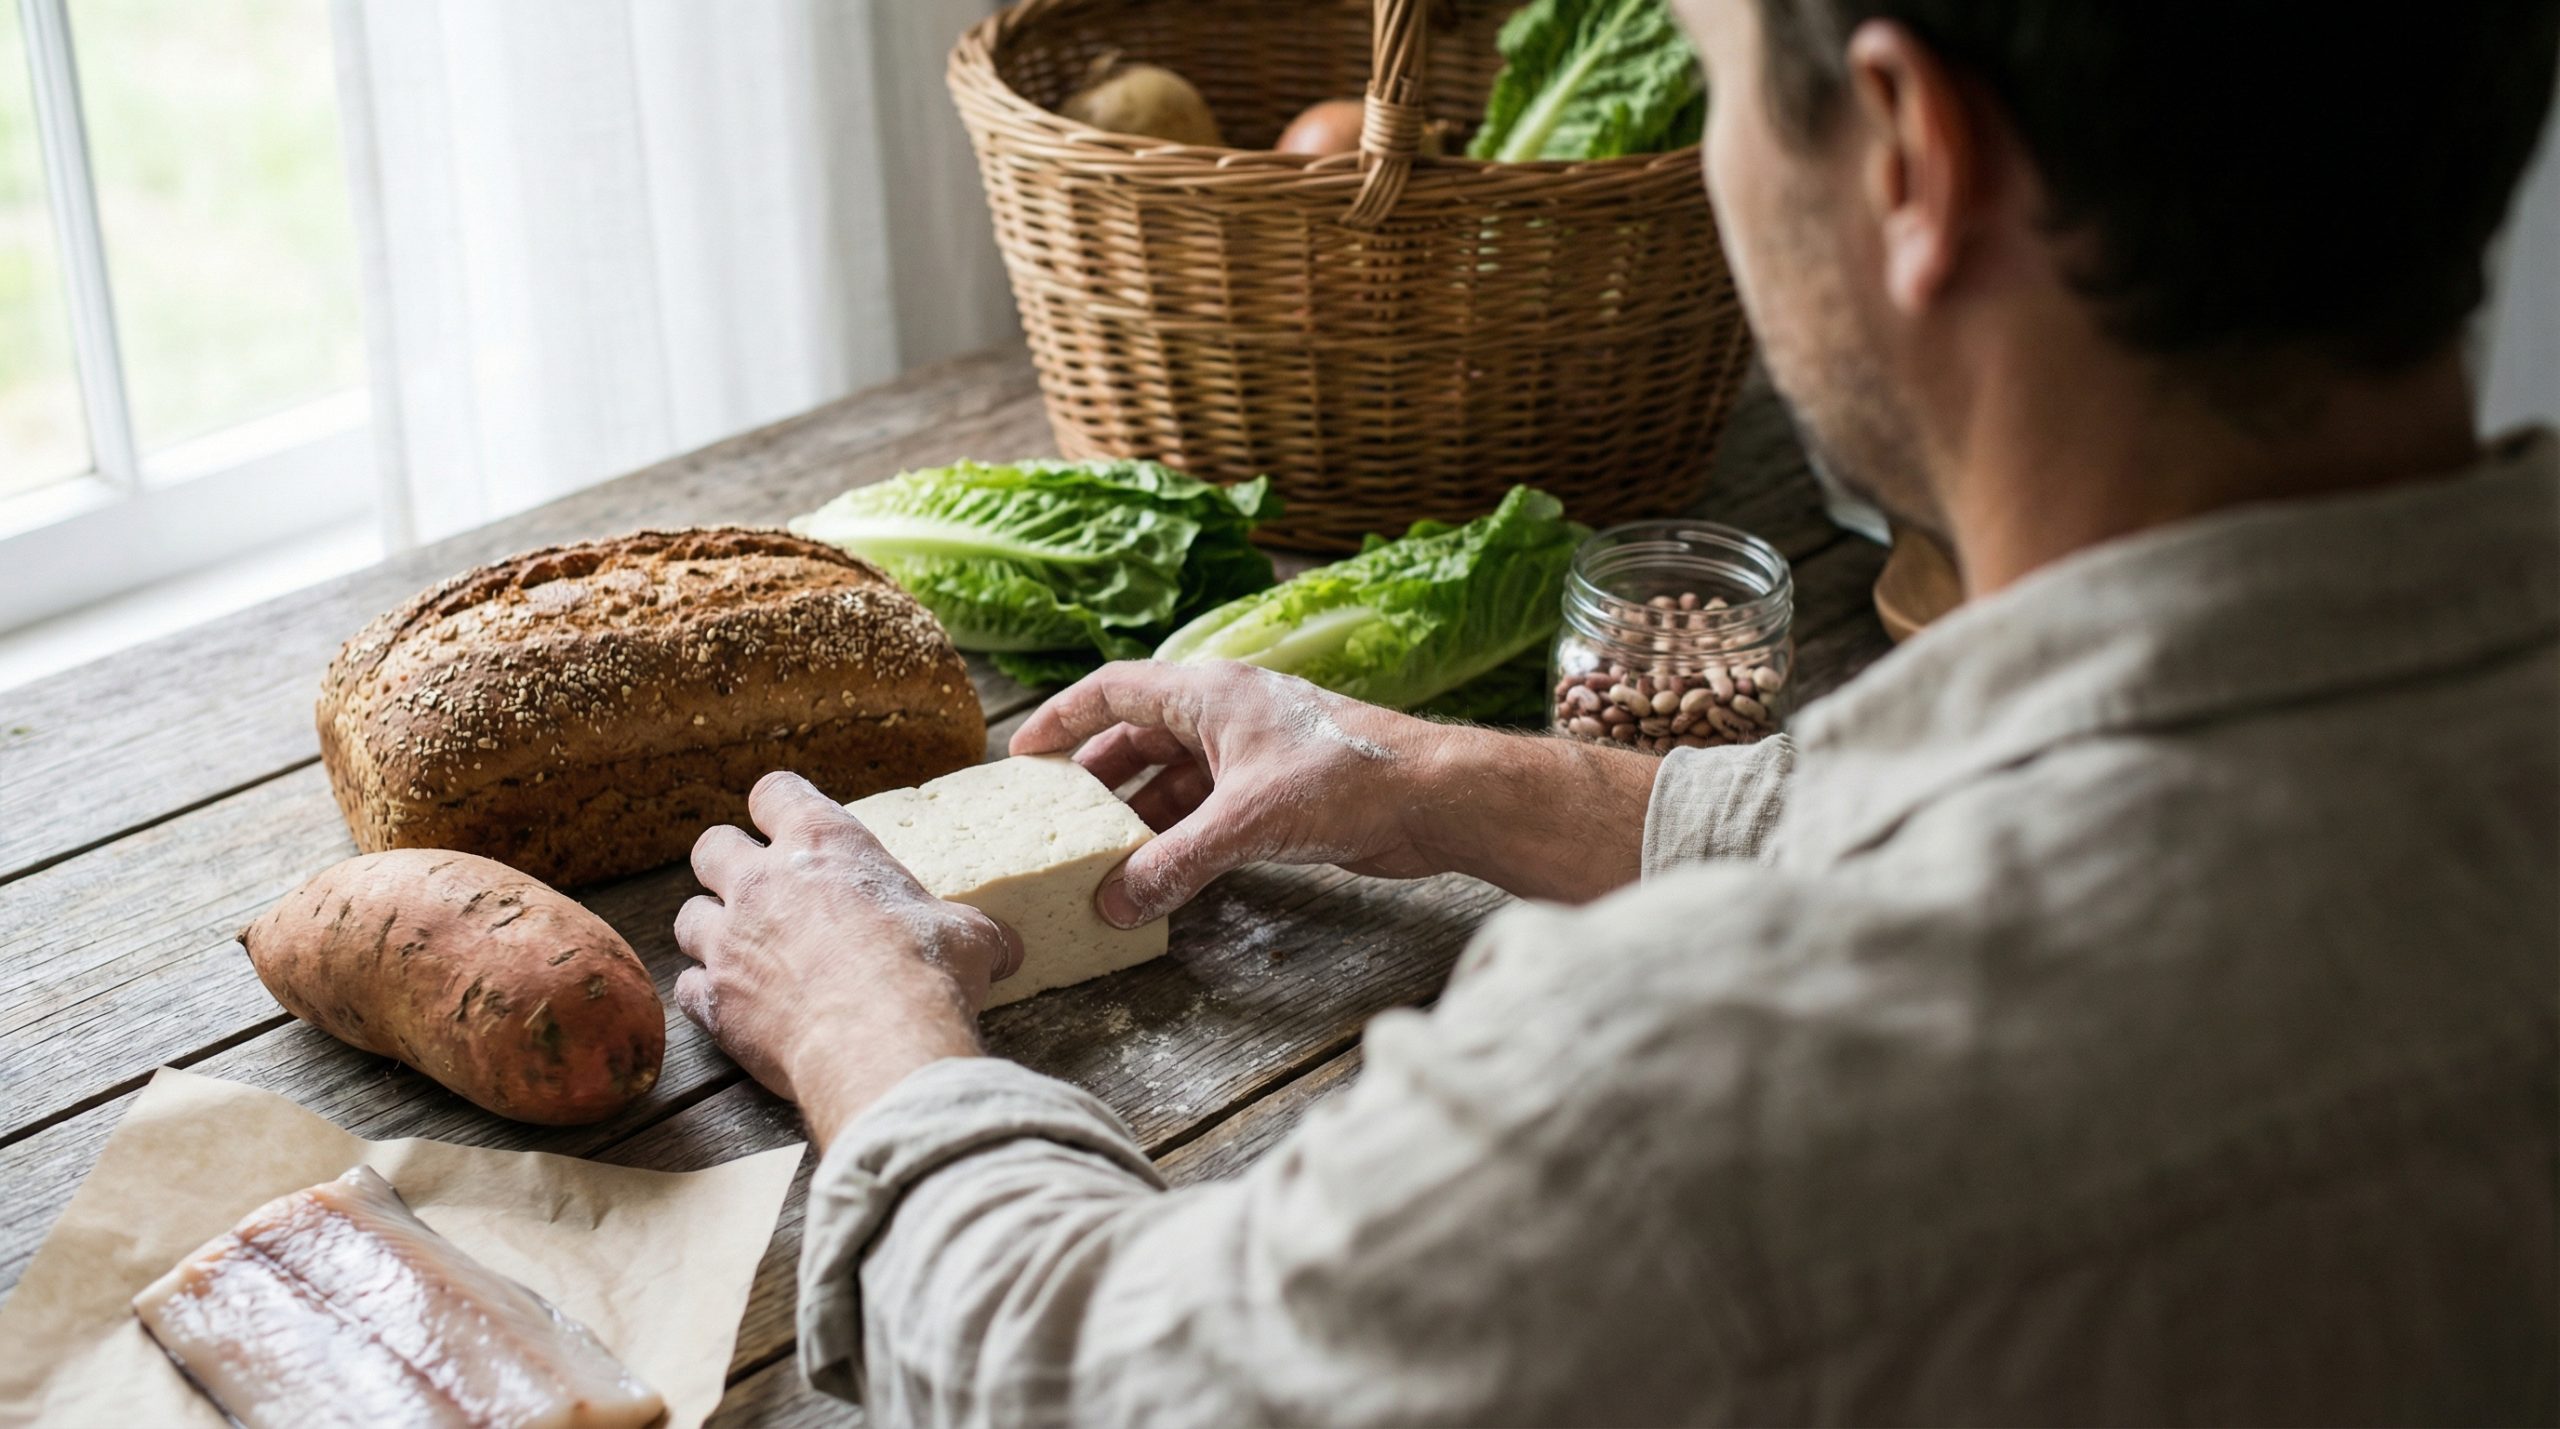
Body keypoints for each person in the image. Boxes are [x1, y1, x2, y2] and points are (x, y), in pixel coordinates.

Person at [671, 0, 2560, 1421]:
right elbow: (2088, 797)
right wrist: (1430, 774)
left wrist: (871, 1030)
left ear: (1911, 156)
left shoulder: (1676, 1109)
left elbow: (1109, 1380)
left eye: (1718, 65)